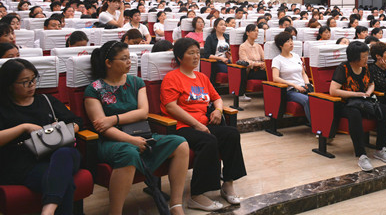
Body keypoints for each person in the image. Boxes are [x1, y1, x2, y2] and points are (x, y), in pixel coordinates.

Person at [84, 41, 189, 215]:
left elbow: (143, 113)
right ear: (108, 63)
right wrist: (131, 140)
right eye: (124, 58)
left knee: (180, 144)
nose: (129, 62)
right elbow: (102, 127)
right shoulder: (94, 90)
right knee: (128, 152)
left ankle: (175, 204)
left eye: (130, 58)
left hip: (141, 133)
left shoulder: (136, 82)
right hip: (111, 140)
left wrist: (114, 119)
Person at [161, 38, 246, 210]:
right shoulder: (172, 78)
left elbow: (217, 98)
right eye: (190, 53)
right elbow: (171, 106)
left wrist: (218, 110)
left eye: (197, 53)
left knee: (231, 134)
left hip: (203, 124)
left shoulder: (201, 77)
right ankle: (197, 195)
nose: (196, 56)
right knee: (208, 140)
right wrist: (196, 124)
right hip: (181, 127)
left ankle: (227, 184)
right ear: (179, 57)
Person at [0, 59, 83, 215]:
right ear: (9, 85)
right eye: (25, 82)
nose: (32, 85)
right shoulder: (3, 108)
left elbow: (77, 122)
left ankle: (48, 211)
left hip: (57, 154)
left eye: (33, 79)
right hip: (24, 163)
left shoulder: (46, 100)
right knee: (64, 182)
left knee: (64, 154)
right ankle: (49, 210)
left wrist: (59, 129)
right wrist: (23, 127)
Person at [330, 41, 386, 171]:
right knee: (355, 114)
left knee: (385, 111)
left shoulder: (365, 67)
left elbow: (371, 84)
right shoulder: (343, 68)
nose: (367, 59)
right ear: (355, 57)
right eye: (364, 56)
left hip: (364, 101)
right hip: (346, 103)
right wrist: (355, 94)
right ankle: (361, 155)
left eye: (367, 55)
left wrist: (368, 93)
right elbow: (333, 91)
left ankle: (380, 149)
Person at [272, 31, 311, 123]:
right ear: (281, 45)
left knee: (320, 99)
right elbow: (275, 78)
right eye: (288, 41)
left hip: (303, 87)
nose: (291, 43)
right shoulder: (277, 60)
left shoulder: (296, 56)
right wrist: (294, 85)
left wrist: (308, 84)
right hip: (290, 90)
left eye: (291, 41)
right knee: (307, 100)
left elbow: (303, 73)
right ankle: (316, 126)